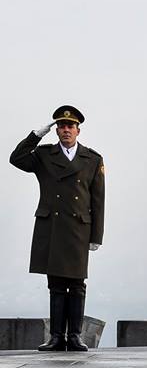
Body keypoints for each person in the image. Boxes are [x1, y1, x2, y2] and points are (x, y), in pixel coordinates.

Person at [10, 105, 105, 352]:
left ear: (78, 130)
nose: (65, 130)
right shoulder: (44, 155)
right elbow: (16, 158)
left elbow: (98, 200)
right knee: (55, 284)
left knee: (76, 284)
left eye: (70, 126)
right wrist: (35, 135)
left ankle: (74, 336)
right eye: (61, 126)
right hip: (52, 225)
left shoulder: (92, 159)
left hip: (78, 229)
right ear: (57, 131)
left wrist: (96, 236)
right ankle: (56, 337)